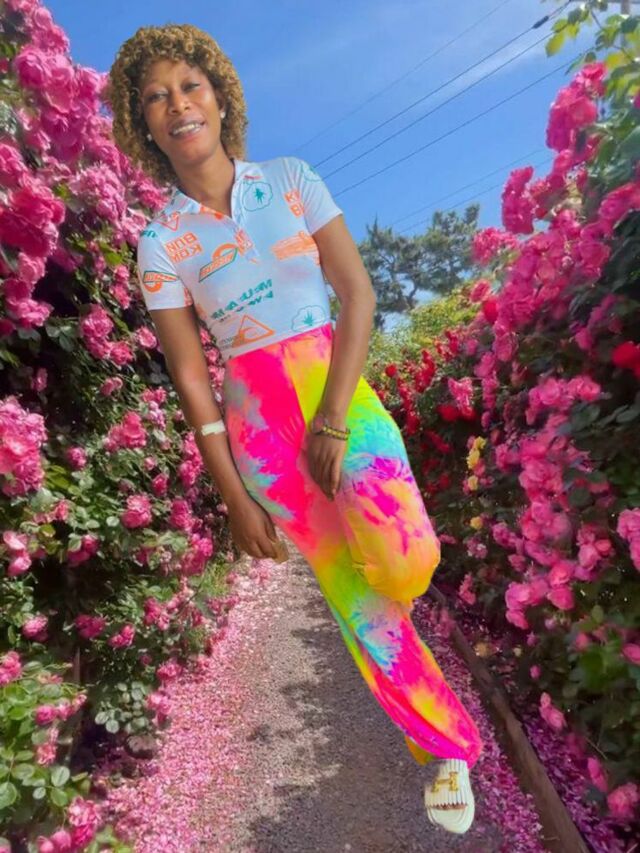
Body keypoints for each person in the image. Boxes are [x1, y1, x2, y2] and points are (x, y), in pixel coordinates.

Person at [107, 22, 483, 835]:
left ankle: (401, 631)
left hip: (336, 390)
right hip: (259, 430)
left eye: (190, 86)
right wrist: (233, 496)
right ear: (144, 124)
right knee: (355, 598)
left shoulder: (290, 180)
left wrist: (336, 418)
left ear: (219, 96)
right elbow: (191, 375)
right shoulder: (160, 242)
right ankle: (443, 744)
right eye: (156, 97)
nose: (178, 105)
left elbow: (359, 293)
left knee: (405, 560)